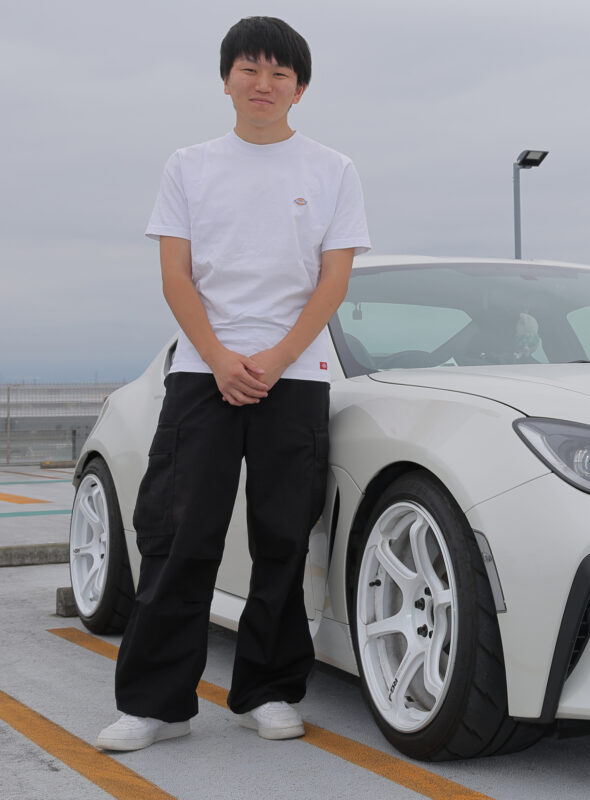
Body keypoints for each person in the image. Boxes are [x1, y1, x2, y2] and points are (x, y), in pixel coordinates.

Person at [97, 16, 370, 751]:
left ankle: (268, 691)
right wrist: (220, 358)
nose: (263, 83)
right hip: (200, 374)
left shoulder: (333, 169)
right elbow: (175, 275)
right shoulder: (189, 165)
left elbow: (333, 281)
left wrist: (275, 360)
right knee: (179, 536)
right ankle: (156, 706)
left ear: (300, 88)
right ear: (226, 80)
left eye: (280, 73)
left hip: (296, 376)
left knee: (283, 539)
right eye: (250, 69)